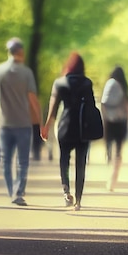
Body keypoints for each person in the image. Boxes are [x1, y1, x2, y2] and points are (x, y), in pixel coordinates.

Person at [0, 38, 42, 207]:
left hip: (4, 124)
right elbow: (33, 99)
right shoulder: (27, 73)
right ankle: (18, 191)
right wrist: (41, 122)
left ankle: (12, 192)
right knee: (23, 161)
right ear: (21, 52)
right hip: (24, 124)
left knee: (6, 161)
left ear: (9, 52)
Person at [41, 52, 96, 211]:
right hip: (82, 127)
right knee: (81, 163)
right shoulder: (87, 83)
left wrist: (46, 126)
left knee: (64, 160)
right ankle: (78, 201)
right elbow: (91, 106)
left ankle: (66, 192)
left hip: (65, 126)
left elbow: (54, 106)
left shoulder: (60, 83)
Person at [101, 65, 128, 191]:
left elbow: (103, 103)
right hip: (121, 121)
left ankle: (108, 164)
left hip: (109, 121)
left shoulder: (109, 84)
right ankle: (113, 178)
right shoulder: (123, 87)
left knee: (109, 148)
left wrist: (104, 118)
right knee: (118, 150)